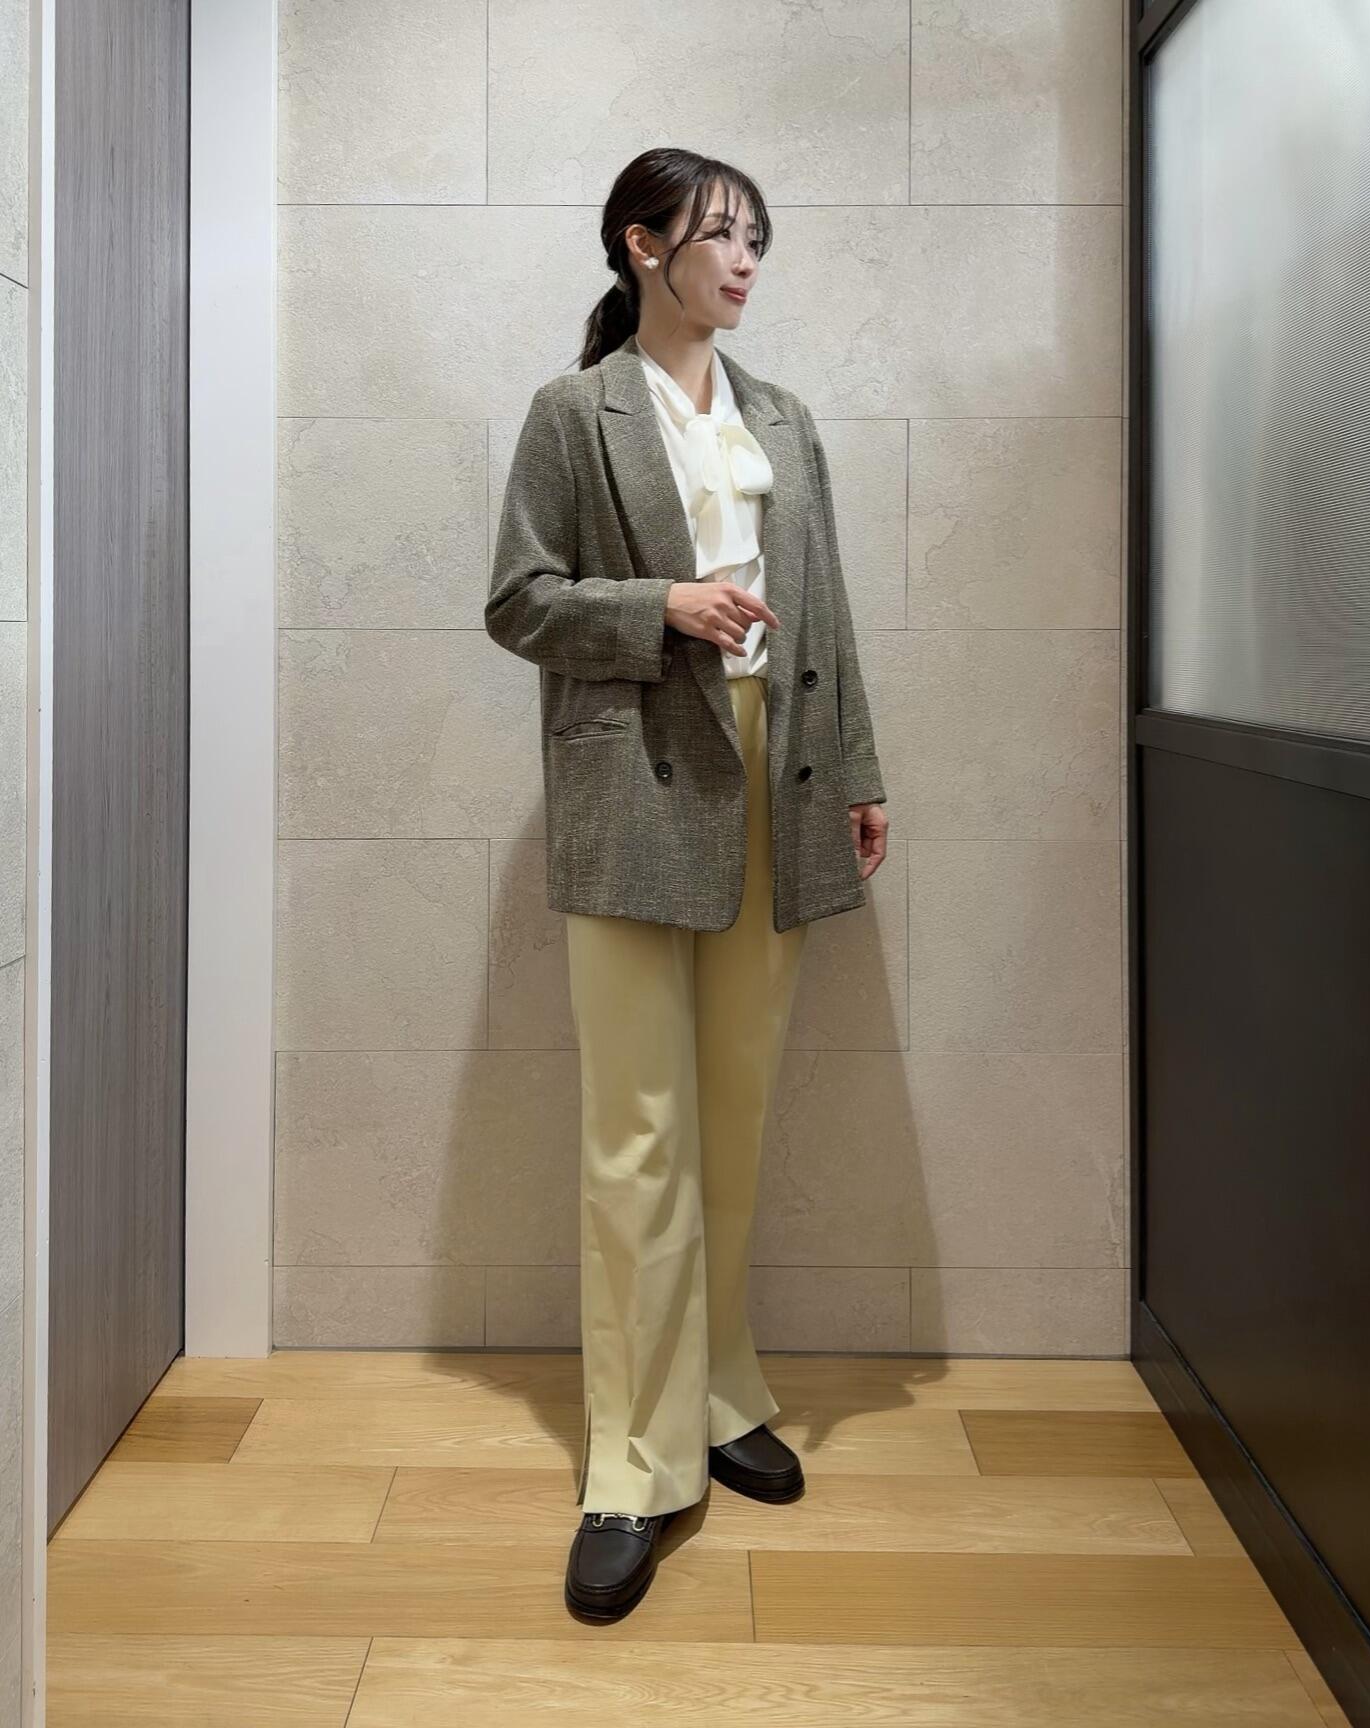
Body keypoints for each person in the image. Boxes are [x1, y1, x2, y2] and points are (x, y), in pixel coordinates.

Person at [485, 146, 888, 1621]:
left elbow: (825, 613)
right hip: (636, 782)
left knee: (733, 1114)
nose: (745, 260)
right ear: (640, 245)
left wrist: (857, 771)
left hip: (780, 775)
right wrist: (661, 605)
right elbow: (518, 601)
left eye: (757, 238)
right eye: (720, 235)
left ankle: (718, 1397)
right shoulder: (572, 412)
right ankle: (633, 1465)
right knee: (637, 1136)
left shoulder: (781, 417)